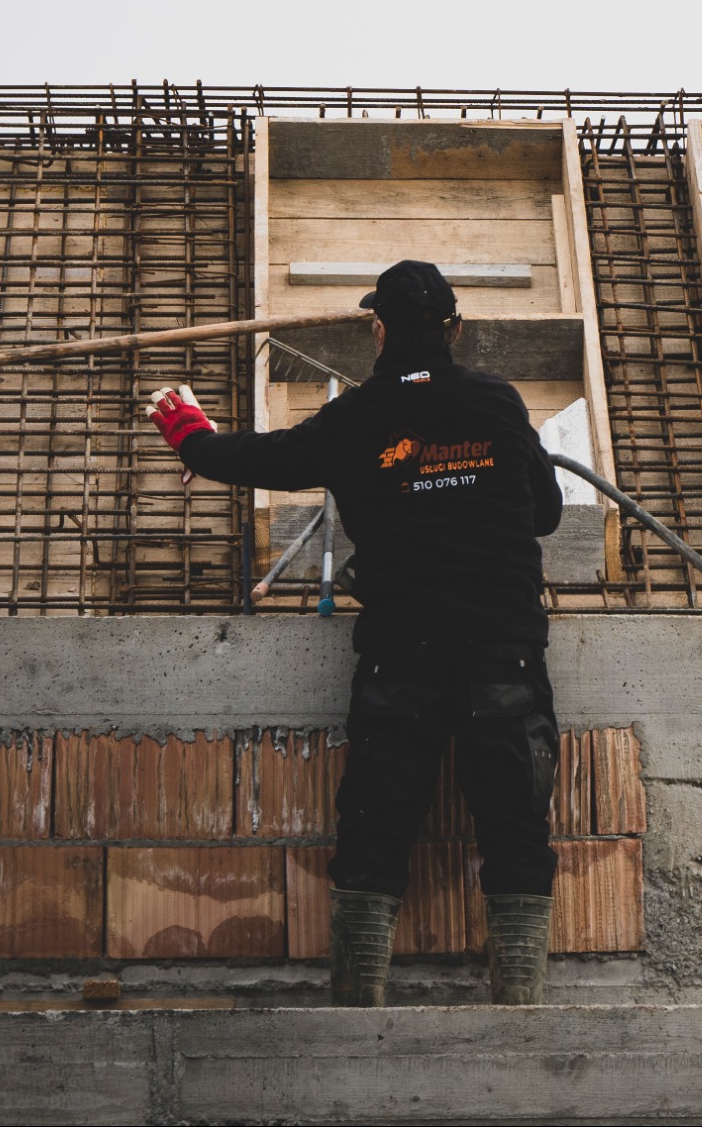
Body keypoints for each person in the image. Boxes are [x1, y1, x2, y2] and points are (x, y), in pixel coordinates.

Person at [145, 260, 564, 1005]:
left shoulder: (355, 419)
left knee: (374, 830)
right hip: (505, 648)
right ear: (453, 329)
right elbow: (546, 514)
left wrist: (190, 436)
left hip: (403, 652)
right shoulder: (499, 404)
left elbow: (259, 458)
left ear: (378, 331)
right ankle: (522, 1014)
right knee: (516, 827)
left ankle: (356, 1008)